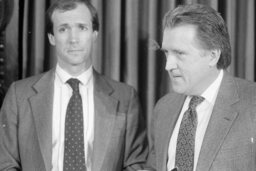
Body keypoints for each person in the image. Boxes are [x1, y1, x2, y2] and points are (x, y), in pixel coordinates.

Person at [0, 0, 148, 170]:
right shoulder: (19, 95)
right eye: (63, 29)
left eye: (82, 28)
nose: (73, 39)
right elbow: (6, 164)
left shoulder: (125, 98)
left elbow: (135, 164)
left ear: (94, 34)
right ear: (51, 37)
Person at [146, 3, 256, 171]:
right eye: (167, 53)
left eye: (180, 53)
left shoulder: (252, 103)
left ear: (213, 56)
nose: (168, 65)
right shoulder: (164, 107)